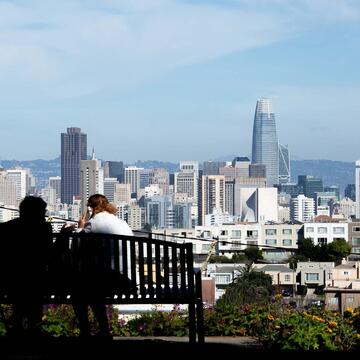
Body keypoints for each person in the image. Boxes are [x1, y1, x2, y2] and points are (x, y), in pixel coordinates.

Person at [72, 194, 133, 338]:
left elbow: (76, 246)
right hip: (126, 280)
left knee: (79, 293)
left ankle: (86, 332)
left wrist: (80, 228)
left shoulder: (92, 224)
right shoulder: (122, 223)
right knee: (92, 290)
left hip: (108, 281)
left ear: (90, 208)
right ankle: (104, 330)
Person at [0, 196, 53, 336]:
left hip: (9, 281)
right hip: (37, 280)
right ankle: (33, 327)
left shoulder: (6, 227)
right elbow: (49, 255)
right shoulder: (44, 228)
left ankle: (18, 326)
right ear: (39, 212)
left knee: (23, 286)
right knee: (33, 285)